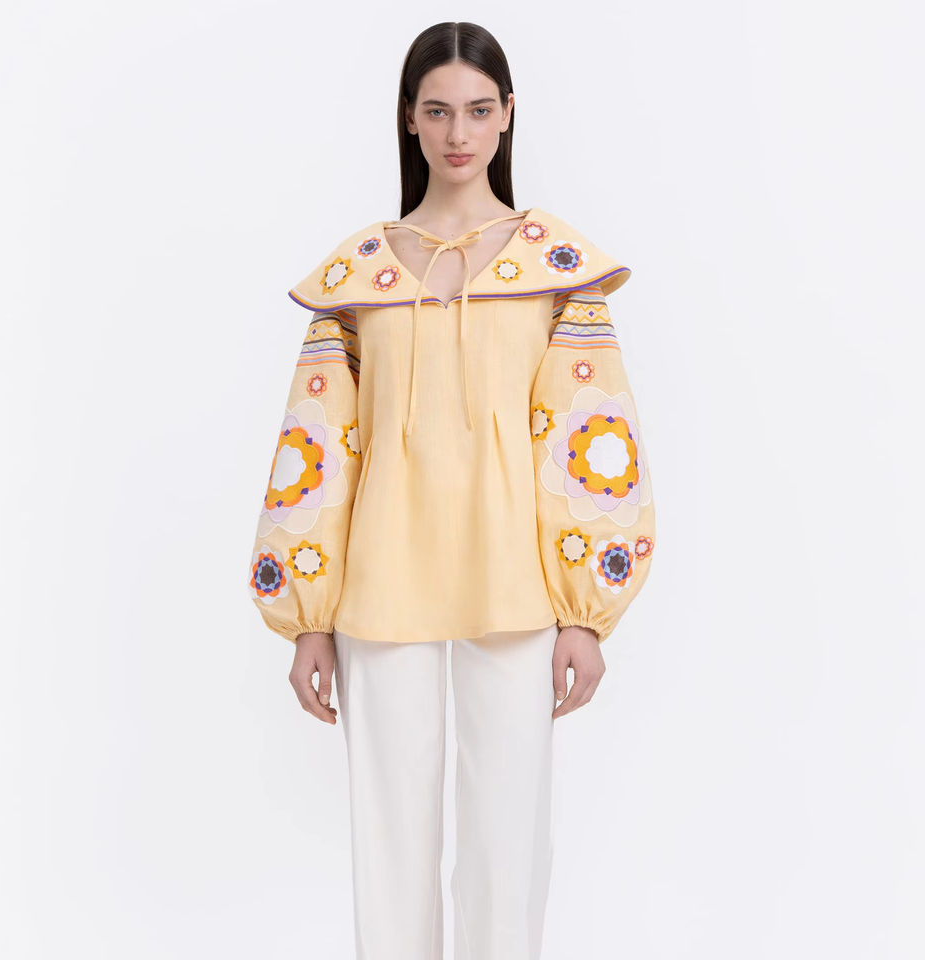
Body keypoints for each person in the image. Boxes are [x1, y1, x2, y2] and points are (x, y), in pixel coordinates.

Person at [246, 20, 656, 960]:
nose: (458, 133)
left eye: (477, 110)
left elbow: (593, 438)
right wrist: (307, 616)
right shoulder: (359, 275)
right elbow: (318, 446)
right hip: (379, 584)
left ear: (507, 115)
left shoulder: (556, 269)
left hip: (516, 584)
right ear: (409, 119)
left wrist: (587, 612)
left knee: (509, 846)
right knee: (388, 842)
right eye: (437, 111)